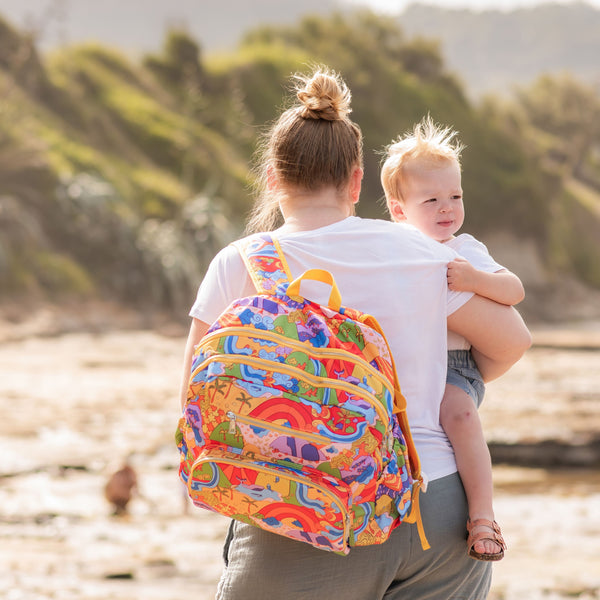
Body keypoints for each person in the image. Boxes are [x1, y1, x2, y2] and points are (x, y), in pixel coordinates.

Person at [179, 67, 531, 600]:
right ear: (357, 180)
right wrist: (454, 386)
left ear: (273, 176)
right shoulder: (421, 253)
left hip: (297, 507)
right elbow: (511, 342)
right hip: (432, 507)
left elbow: (194, 396)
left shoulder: (243, 262)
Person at [380, 116, 525, 562]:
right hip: (405, 366)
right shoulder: (392, 247)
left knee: (460, 418)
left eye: (456, 196)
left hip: (456, 367)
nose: (448, 208)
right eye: (433, 199)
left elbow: (514, 291)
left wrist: (474, 278)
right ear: (400, 210)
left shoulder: (465, 249)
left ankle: (482, 516)